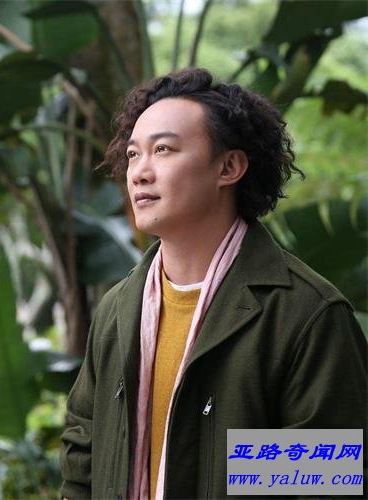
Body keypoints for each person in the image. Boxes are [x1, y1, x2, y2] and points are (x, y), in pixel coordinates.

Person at [59, 68, 366, 499]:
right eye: (133, 154)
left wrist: (230, 466)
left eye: (163, 149)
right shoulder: (119, 309)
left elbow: (327, 481)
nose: (140, 172)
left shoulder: (302, 313)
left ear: (229, 167)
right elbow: (83, 453)